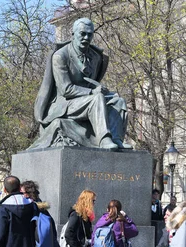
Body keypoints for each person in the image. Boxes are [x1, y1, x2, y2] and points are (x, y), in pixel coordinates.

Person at [32, 17, 131, 149]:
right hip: (65, 103)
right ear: (73, 35)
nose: (86, 37)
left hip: (86, 100)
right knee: (96, 99)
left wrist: (99, 89)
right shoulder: (60, 56)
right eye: (82, 34)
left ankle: (116, 138)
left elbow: (92, 82)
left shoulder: (95, 57)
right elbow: (65, 89)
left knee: (118, 101)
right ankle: (104, 139)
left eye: (89, 34)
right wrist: (92, 92)